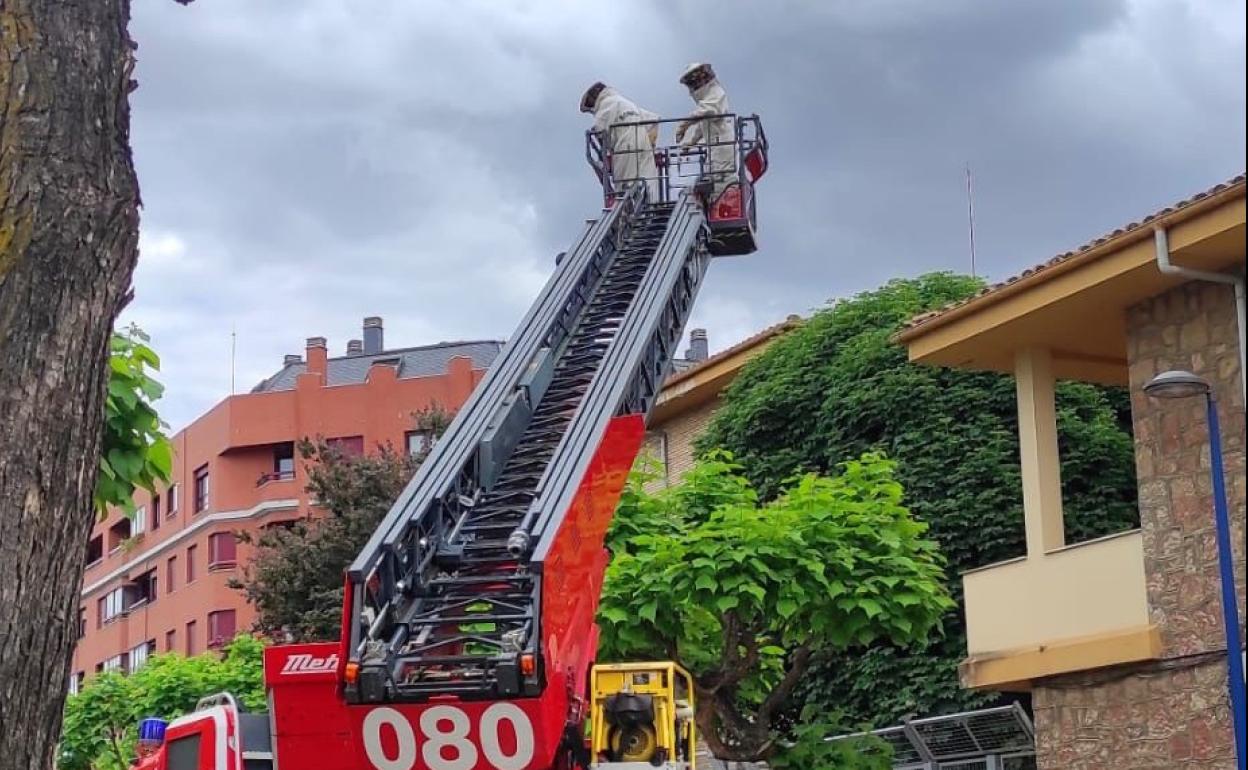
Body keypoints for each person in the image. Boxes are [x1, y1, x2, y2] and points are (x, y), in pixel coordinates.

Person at [581, 82, 661, 201]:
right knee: (648, 180)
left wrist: (605, 155)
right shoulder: (625, 102)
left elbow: (601, 132)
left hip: (624, 147)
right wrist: (651, 144)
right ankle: (650, 202)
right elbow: (654, 120)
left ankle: (630, 210)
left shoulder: (604, 106)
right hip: (644, 144)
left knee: (626, 185)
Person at [674, 63, 735, 198]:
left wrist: (683, 125)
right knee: (713, 178)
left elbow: (705, 112)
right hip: (715, 147)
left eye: (695, 82)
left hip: (722, 146)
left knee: (722, 181)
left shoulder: (716, 94)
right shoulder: (710, 97)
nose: (695, 86)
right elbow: (703, 126)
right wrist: (689, 143)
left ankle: (722, 204)